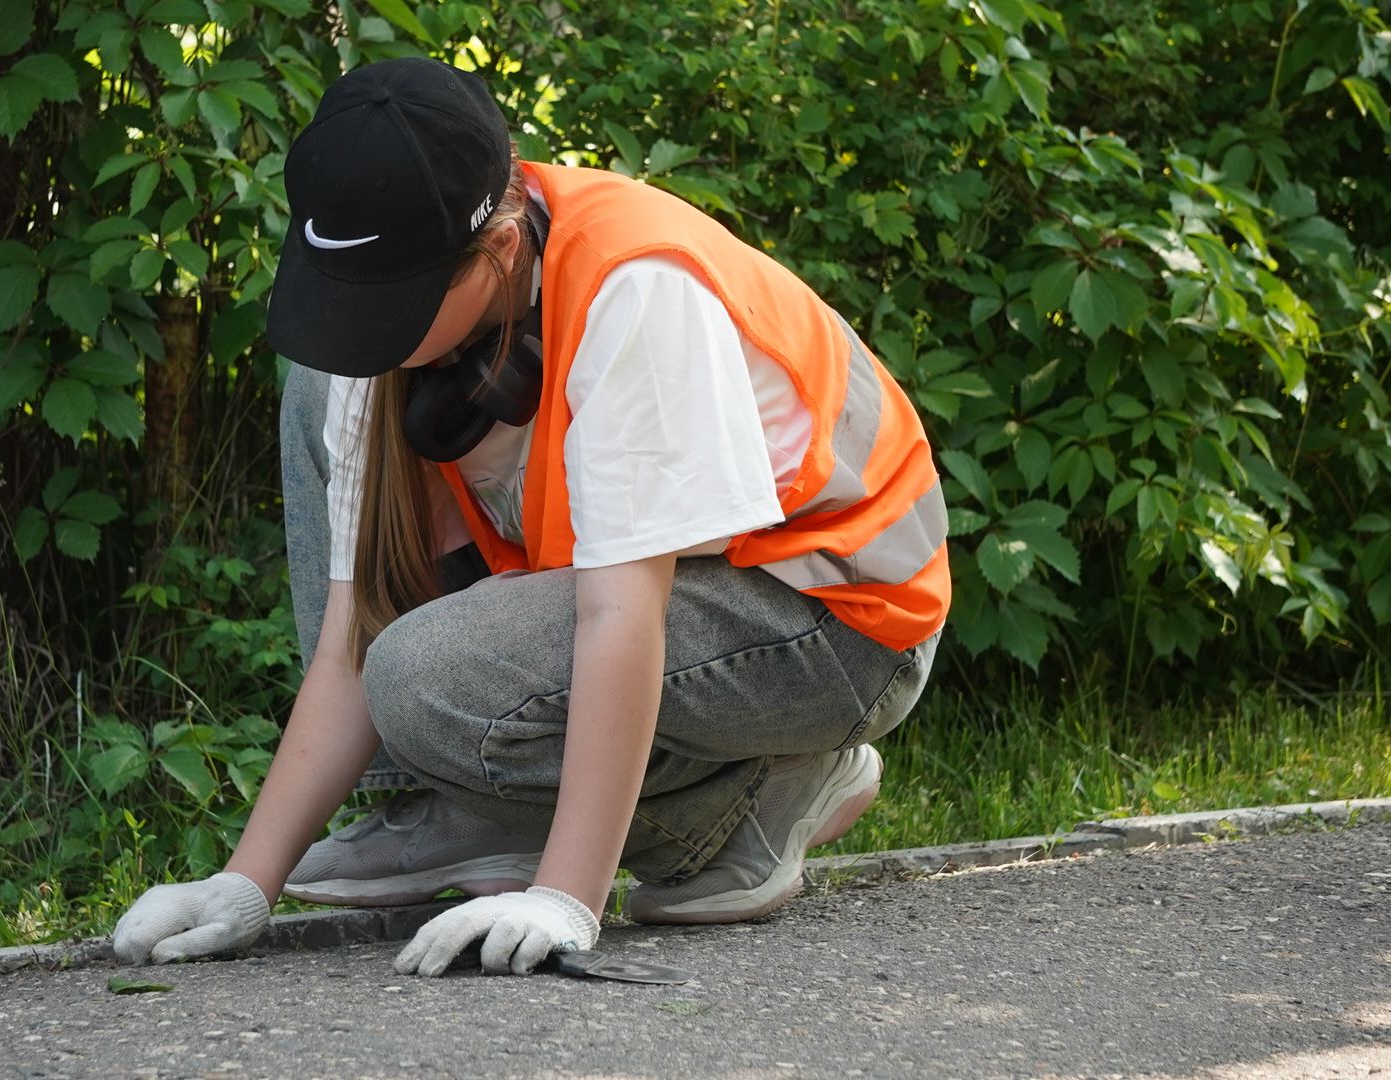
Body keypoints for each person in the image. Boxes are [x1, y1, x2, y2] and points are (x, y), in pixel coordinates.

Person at [111, 57, 948, 978]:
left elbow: (620, 615)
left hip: (838, 622)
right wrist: (246, 884)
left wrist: (566, 897)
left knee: (423, 677)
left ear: (502, 254)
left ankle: (757, 796)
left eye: (390, 305)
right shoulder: (404, 327)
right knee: (325, 396)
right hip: (673, 608)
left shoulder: (634, 289)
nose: (364, 332)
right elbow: (355, 627)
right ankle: (447, 811)